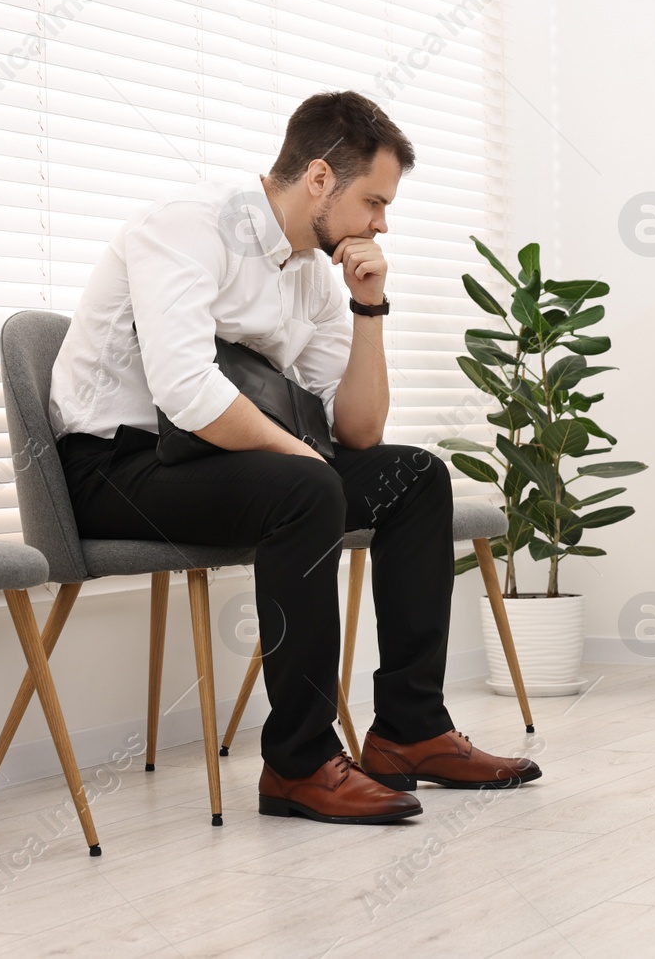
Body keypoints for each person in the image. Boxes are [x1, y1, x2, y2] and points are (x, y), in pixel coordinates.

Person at [47, 91, 541, 824]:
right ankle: (299, 762)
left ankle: (410, 729)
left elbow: (361, 432)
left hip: (216, 462)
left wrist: (369, 303)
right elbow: (186, 392)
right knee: (308, 489)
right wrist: (308, 466)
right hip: (117, 465)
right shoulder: (185, 228)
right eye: (373, 201)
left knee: (416, 477)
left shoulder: (312, 272)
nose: (382, 223)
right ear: (318, 179)